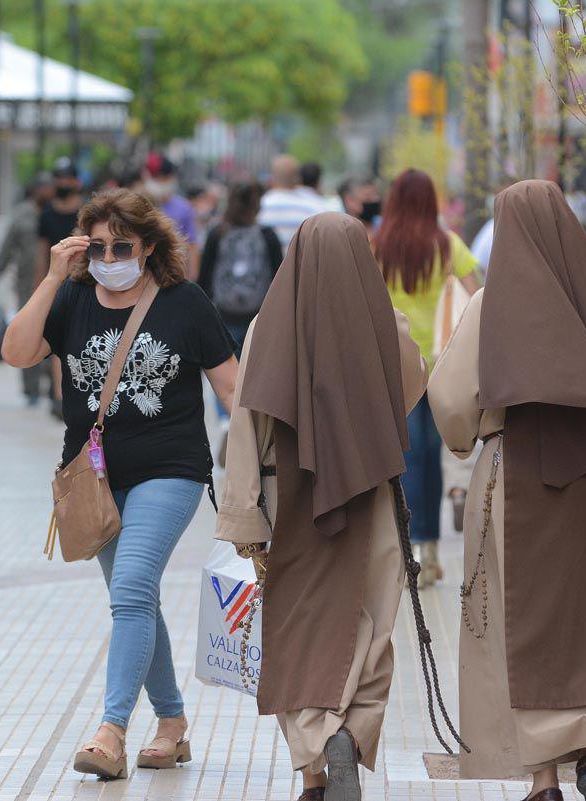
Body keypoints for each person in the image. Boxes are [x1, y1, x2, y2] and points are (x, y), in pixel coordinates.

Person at [429, 180, 586, 801]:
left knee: (525, 628)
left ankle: (543, 781)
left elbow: (448, 400)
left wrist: (471, 441)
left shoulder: (491, 307)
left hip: (512, 477)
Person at [1, 188, 238, 780]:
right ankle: (173, 723)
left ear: (149, 246)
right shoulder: (73, 298)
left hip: (171, 468)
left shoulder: (186, 304)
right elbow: (16, 352)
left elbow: (233, 389)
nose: (110, 256)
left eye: (122, 245)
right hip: (96, 478)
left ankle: (111, 730)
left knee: (132, 586)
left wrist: (262, 467)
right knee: (137, 599)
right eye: (98, 246)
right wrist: (53, 276)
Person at [217, 212, 425, 801]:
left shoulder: (266, 327)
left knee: (299, 627)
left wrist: (244, 518)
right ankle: (350, 734)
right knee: (371, 621)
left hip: (288, 495)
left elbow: (247, 426)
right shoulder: (389, 325)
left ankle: (315, 759)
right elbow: (410, 392)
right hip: (370, 492)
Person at [372, 168, 480, 587]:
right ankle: (431, 549)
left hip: (395, 369)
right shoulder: (448, 245)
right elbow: (475, 298)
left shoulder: (377, 247)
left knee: (406, 460)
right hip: (442, 366)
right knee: (435, 459)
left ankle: (411, 547)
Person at [197, 182, 284, 356]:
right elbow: (279, 278)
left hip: (223, 314)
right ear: (257, 206)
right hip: (259, 315)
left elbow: (204, 277)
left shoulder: (217, 233)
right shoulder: (267, 235)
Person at [0, 176, 54, 405]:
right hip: (27, 287)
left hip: (57, 286)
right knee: (28, 334)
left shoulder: (59, 213)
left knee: (53, 335)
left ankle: (53, 388)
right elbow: (6, 249)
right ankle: (31, 389)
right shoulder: (21, 216)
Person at [37, 161, 87, 419]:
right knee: (60, 342)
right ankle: (59, 395)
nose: (64, 183)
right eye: (60, 178)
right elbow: (42, 252)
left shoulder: (87, 211)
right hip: (58, 283)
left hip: (87, 281)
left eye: (68, 178)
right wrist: (43, 286)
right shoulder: (46, 214)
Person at [143, 154, 200, 279]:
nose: (159, 182)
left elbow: (192, 245)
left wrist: (191, 279)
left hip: (174, 275)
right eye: (155, 177)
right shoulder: (138, 204)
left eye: (163, 178)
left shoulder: (184, 208)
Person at [259, 155, 328, 251]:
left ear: (272, 178)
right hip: (300, 265)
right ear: (298, 178)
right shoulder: (315, 206)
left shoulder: (261, 205)